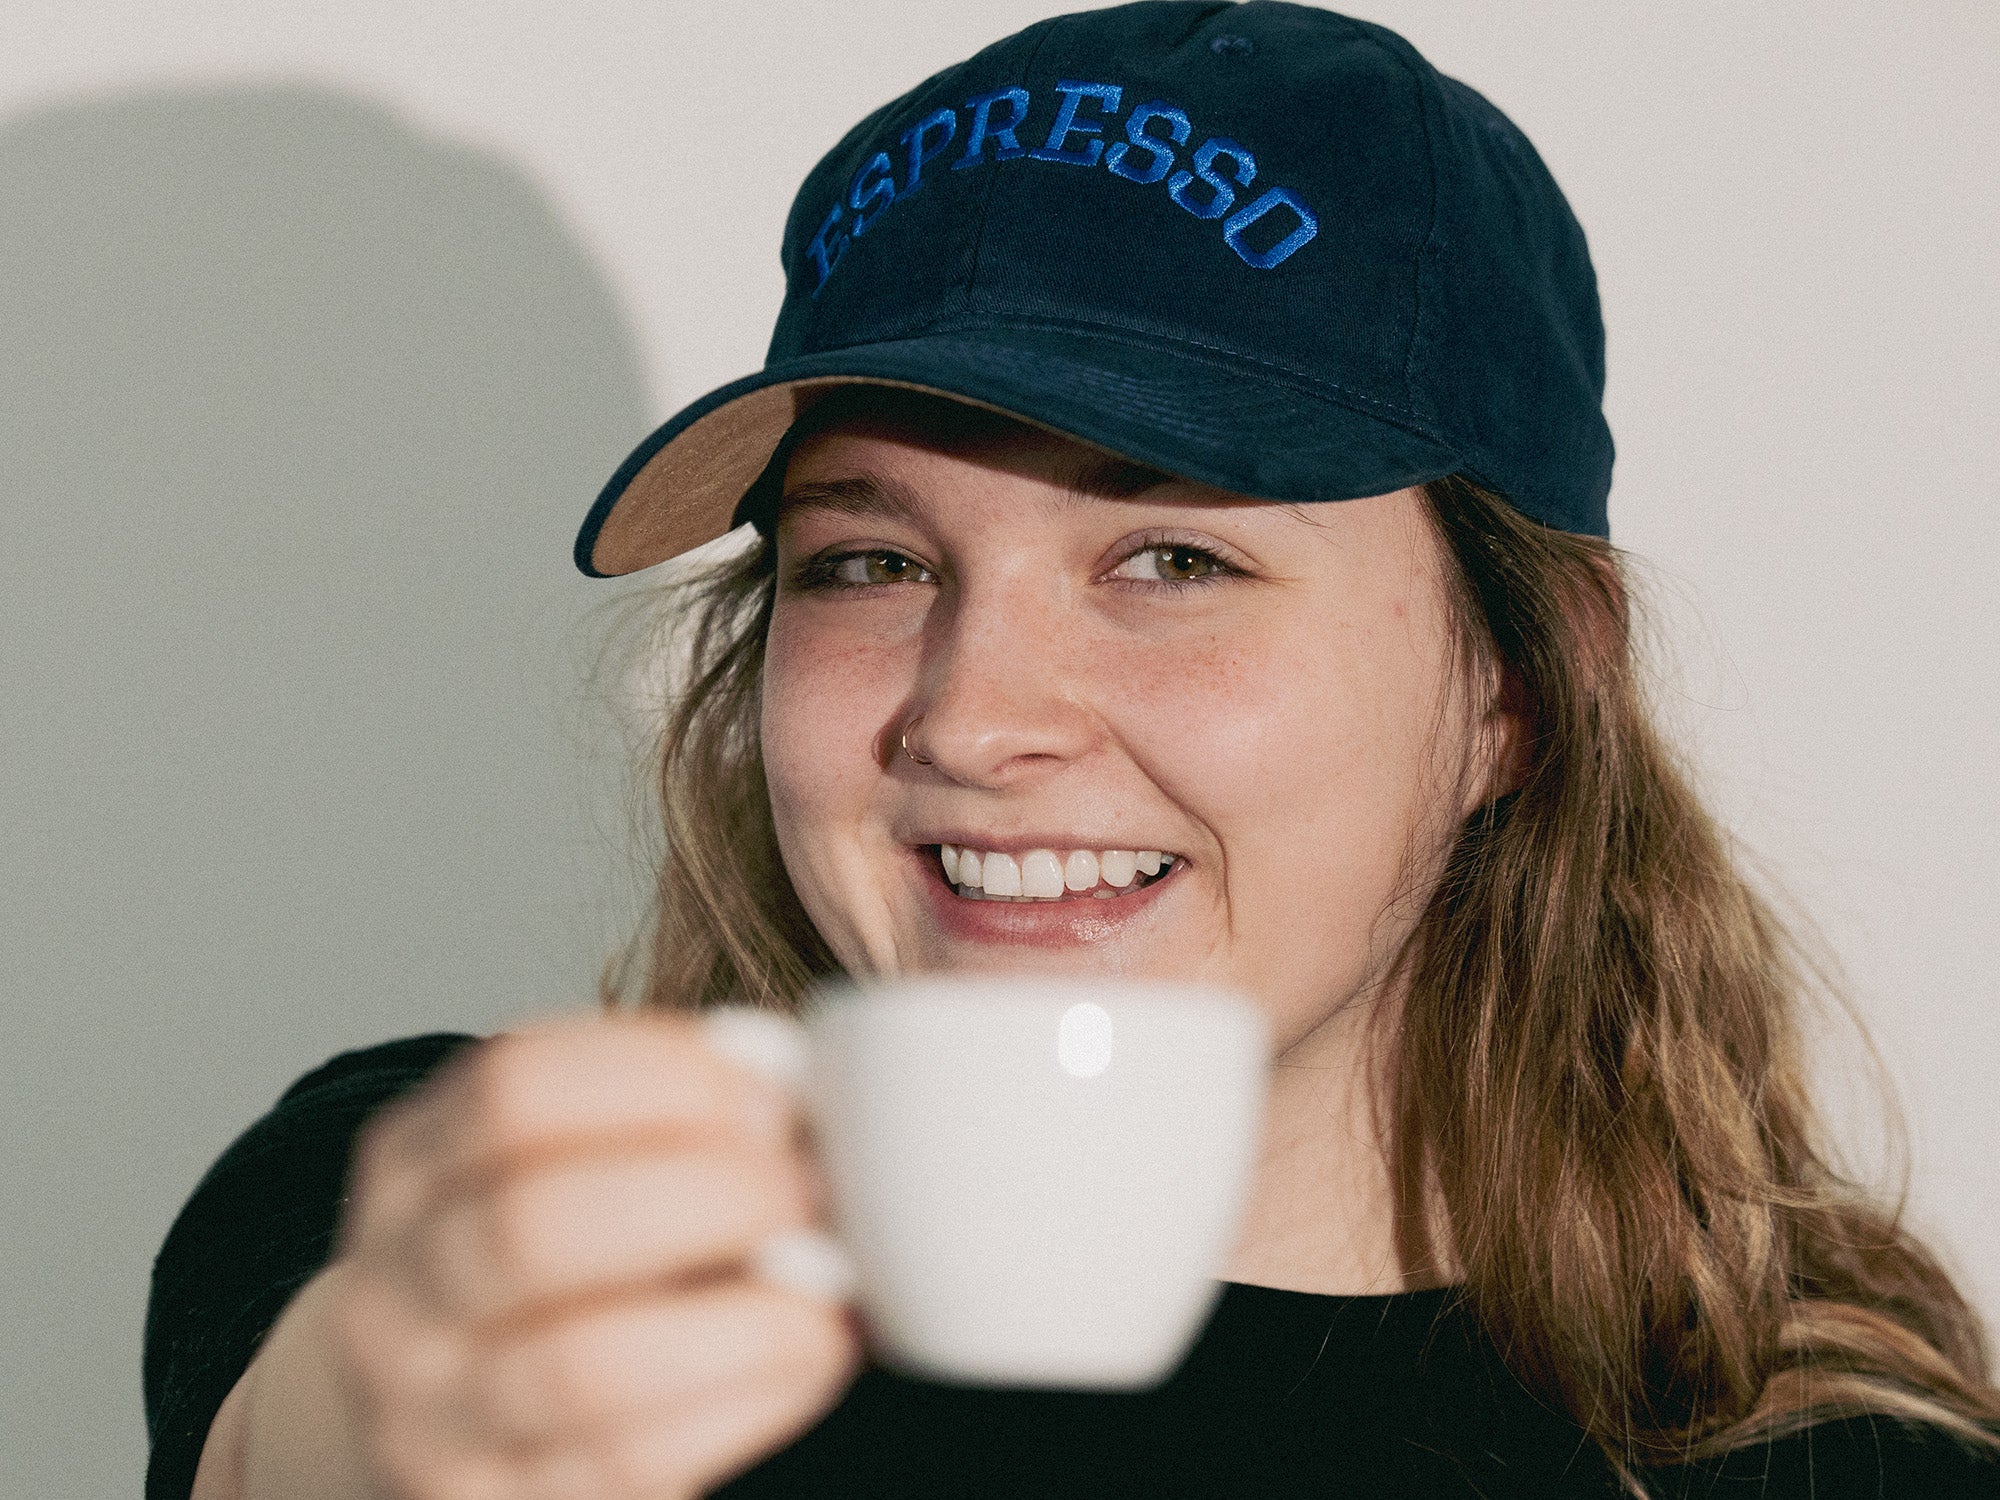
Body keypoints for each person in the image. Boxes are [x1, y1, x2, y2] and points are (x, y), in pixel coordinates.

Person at [145, 5, 2000, 1498]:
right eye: (868, 561)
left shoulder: (1835, 1473)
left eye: (1173, 557)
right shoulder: (447, 1250)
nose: (968, 717)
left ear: (1521, 687)